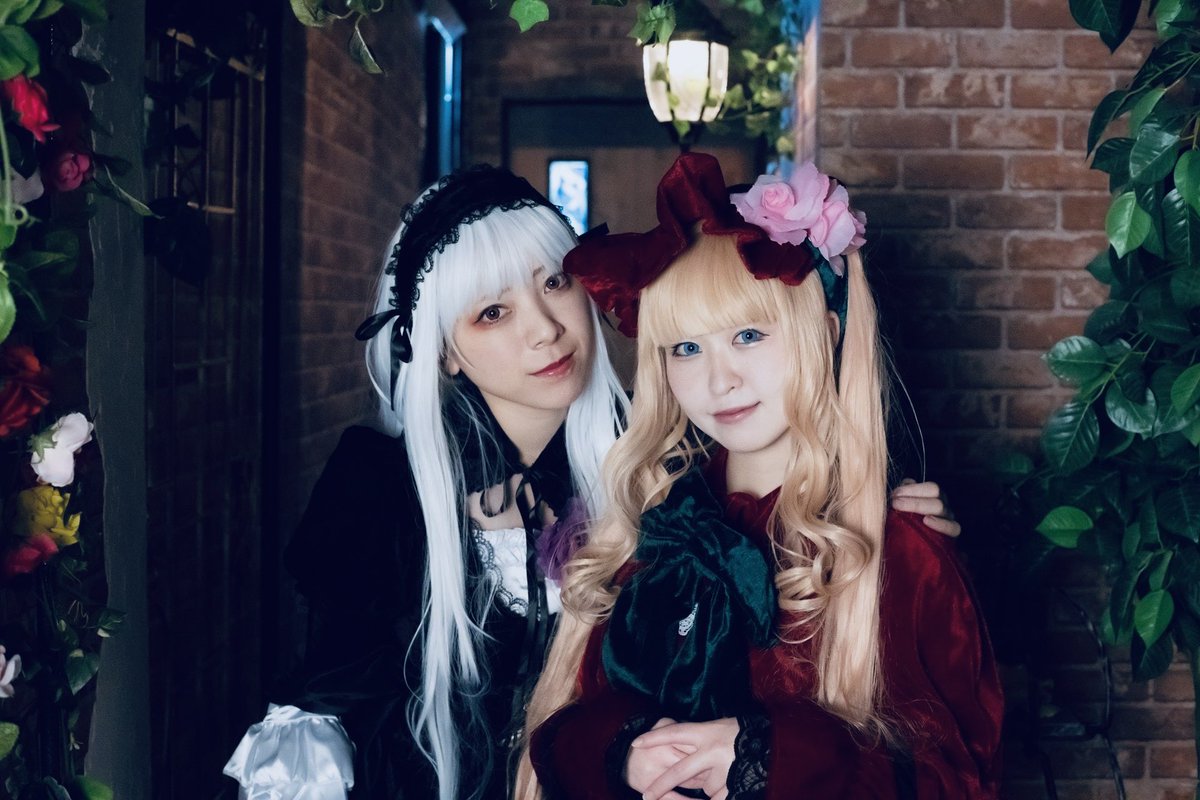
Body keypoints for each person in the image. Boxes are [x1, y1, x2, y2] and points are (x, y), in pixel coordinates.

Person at [223, 164, 962, 800]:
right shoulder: (381, 489)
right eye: (492, 313)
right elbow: (336, 690)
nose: (544, 329)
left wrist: (885, 517)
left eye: (554, 282)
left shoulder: (676, 453)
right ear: (445, 351)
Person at [518, 153, 1003, 800]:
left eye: (748, 335)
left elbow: (960, 779)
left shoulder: (901, 549)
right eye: (687, 348)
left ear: (826, 332)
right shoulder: (649, 533)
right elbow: (560, 734)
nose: (718, 380)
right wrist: (628, 755)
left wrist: (768, 759)